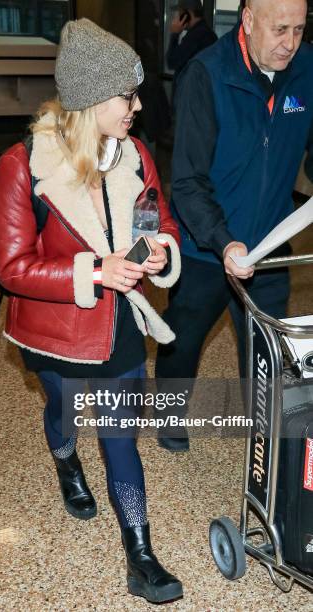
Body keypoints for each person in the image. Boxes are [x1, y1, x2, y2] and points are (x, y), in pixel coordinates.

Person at [0, 18, 183, 603]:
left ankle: (141, 554)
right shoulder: (21, 166)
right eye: (128, 94)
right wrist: (94, 271)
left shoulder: (135, 154)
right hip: (56, 331)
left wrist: (155, 253)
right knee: (66, 411)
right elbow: (11, 267)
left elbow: (159, 222)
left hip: (121, 322)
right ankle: (66, 460)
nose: (138, 105)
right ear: (93, 98)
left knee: (121, 436)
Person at [156, 0, 313, 452]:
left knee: (268, 356)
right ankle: (170, 420)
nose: (290, 44)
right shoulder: (205, 75)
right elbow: (186, 182)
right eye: (280, 29)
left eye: (300, 30)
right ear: (247, 20)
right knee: (181, 342)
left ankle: (265, 443)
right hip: (206, 246)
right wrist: (223, 242)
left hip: (269, 243)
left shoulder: (306, 69)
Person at [166, 0, 217, 81]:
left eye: (180, 13)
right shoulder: (205, 32)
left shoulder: (197, 35)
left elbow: (172, 62)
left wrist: (175, 34)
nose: (178, 17)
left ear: (187, 14)